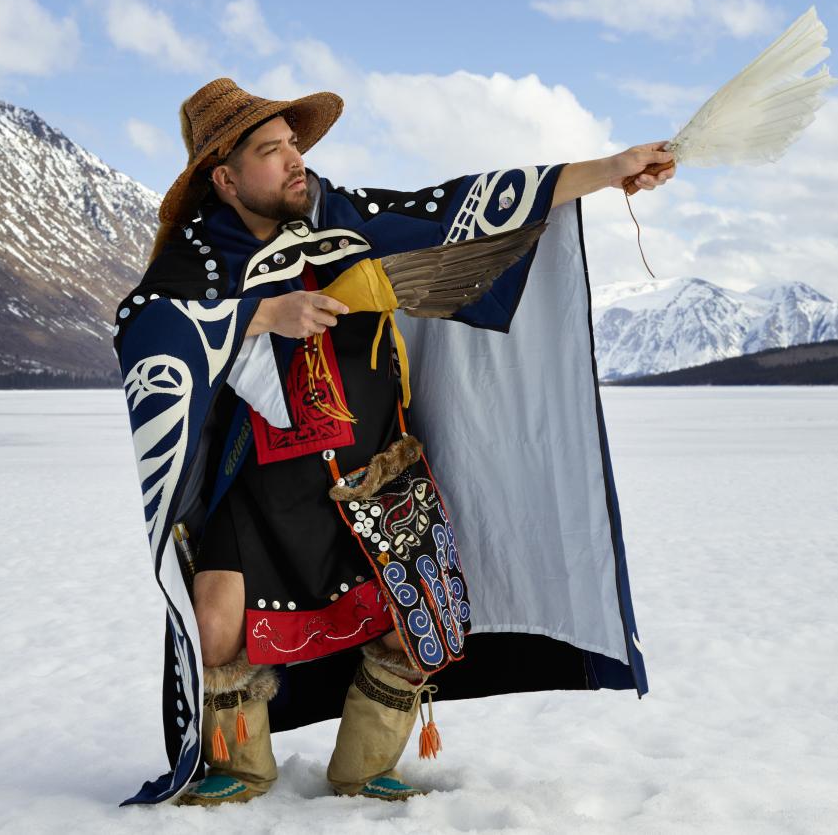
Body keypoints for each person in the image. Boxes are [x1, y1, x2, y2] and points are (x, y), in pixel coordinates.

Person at [111, 77, 673, 808]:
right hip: (257, 487)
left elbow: (463, 207)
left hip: (373, 470)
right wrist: (258, 314)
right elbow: (144, 325)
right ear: (225, 177)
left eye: (293, 144)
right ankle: (239, 767)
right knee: (215, 624)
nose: (293, 160)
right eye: (270, 149)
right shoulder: (195, 263)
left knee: (419, 621)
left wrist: (608, 169)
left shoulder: (339, 217)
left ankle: (362, 767)